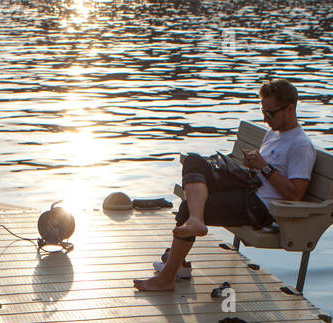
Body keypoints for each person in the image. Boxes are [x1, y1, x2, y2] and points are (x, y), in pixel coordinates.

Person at [134, 79, 316, 292]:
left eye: (271, 114)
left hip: (261, 209)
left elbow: (295, 195)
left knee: (188, 205)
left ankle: (168, 275)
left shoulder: (300, 145)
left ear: (290, 108)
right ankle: (194, 223)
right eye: (263, 112)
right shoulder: (273, 134)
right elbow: (264, 171)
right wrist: (252, 165)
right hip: (247, 189)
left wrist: (263, 166)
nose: (266, 119)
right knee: (194, 161)